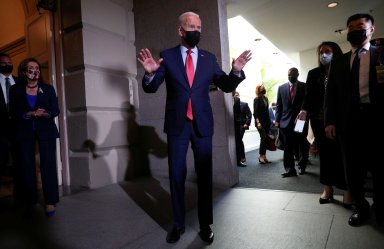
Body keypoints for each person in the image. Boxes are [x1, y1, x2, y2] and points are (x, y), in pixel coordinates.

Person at [137, 11, 252, 244]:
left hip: (202, 124)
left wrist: (236, 71)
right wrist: (149, 75)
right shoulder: (167, 56)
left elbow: (226, 85)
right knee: (176, 176)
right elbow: (152, 87)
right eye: (192, 27)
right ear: (181, 30)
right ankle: (178, 225)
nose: (197, 31)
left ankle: (205, 224)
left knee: (204, 176)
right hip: (178, 125)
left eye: (199, 27)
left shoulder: (209, 58)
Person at [325, 13, 384, 227]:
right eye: (350, 27)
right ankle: (361, 207)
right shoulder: (339, 62)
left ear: (371, 29)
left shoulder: (381, 53)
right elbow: (330, 94)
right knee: (353, 168)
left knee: (380, 166)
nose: (354, 30)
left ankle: (381, 207)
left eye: (360, 25)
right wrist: (329, 121)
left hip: (377, 120)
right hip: (348, 123)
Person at [297, 41, 352, 208]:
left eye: (327, 51)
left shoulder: (346, 70)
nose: (323, 54)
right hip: (319, 120)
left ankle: (347, 192)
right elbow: (308, 98)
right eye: (321, 52)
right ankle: (327, 190)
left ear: (336, 53)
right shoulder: (314, 74)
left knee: (343, 157)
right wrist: (303, 112)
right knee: (326, 156)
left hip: (341, 121)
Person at [9, 57, 60, 217]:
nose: (35, 70)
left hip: (46, 131)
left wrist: (46, 113)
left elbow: (56, 110)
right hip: (25, 132)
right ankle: (30, 201)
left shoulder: (48, 88)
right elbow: (13, 112)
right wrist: (29, 113)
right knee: (26, 166)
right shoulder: (15, 89)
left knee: (48, 165)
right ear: (24, 71)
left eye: (37, 68)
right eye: (31, 68)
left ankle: (50, 201)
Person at [275, 68, 308, 177]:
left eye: (293, 75)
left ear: (297, 75)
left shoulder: (304, 86)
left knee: (301, 144)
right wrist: (277, 120)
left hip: (300, 121)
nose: (291, 76)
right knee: (288, 147)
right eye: (289, 75)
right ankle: (290, 169)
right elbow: (279, 106)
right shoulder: (281, 88)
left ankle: (302, 166)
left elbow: (307, 102)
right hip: (285, 122)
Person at [0, 53, 18, 184]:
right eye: (3, 63)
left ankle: (22, 195)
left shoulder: (20, 82)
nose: (7, 65)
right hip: (0, 129)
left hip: (18, 127)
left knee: (21, 160)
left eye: (9, 63)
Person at [253, 85, 271, 164]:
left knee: (266, 138)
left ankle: (264, 156)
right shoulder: (256, 99)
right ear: (259, 90)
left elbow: (267, 111)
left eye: (264, 88)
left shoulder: (266, 99)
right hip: (260, 123)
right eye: (262, 88)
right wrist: (258, 122)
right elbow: (255, 112)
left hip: (267, 122)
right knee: (263, 137)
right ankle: (260, 156)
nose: (264, 89)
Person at [233, 91, 252, 167]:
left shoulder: (244, 104)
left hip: (242, 125)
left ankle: (241, 157)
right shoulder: (232, 103)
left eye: (237, 95)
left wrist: (246, 124)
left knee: (239, 140)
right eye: (235, 95)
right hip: (234, 125)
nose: (236, 96)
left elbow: (249, 115)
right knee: (238, 141)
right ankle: (239, 157)